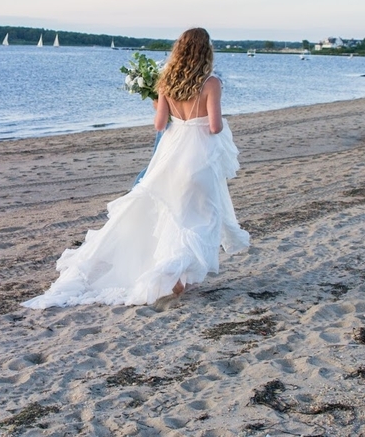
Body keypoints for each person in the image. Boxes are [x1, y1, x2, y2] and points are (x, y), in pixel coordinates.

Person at [23, 28, 249, 308]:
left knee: (172, 216)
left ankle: (173, 276)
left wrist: (162, 105)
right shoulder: (212, 83)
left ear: (178, 50)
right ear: (207, 52)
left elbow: (159, 124)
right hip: (198, 158)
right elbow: (214, 127)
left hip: (171, 154)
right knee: (199, 218)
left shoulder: (166, 81)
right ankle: (175, 276)